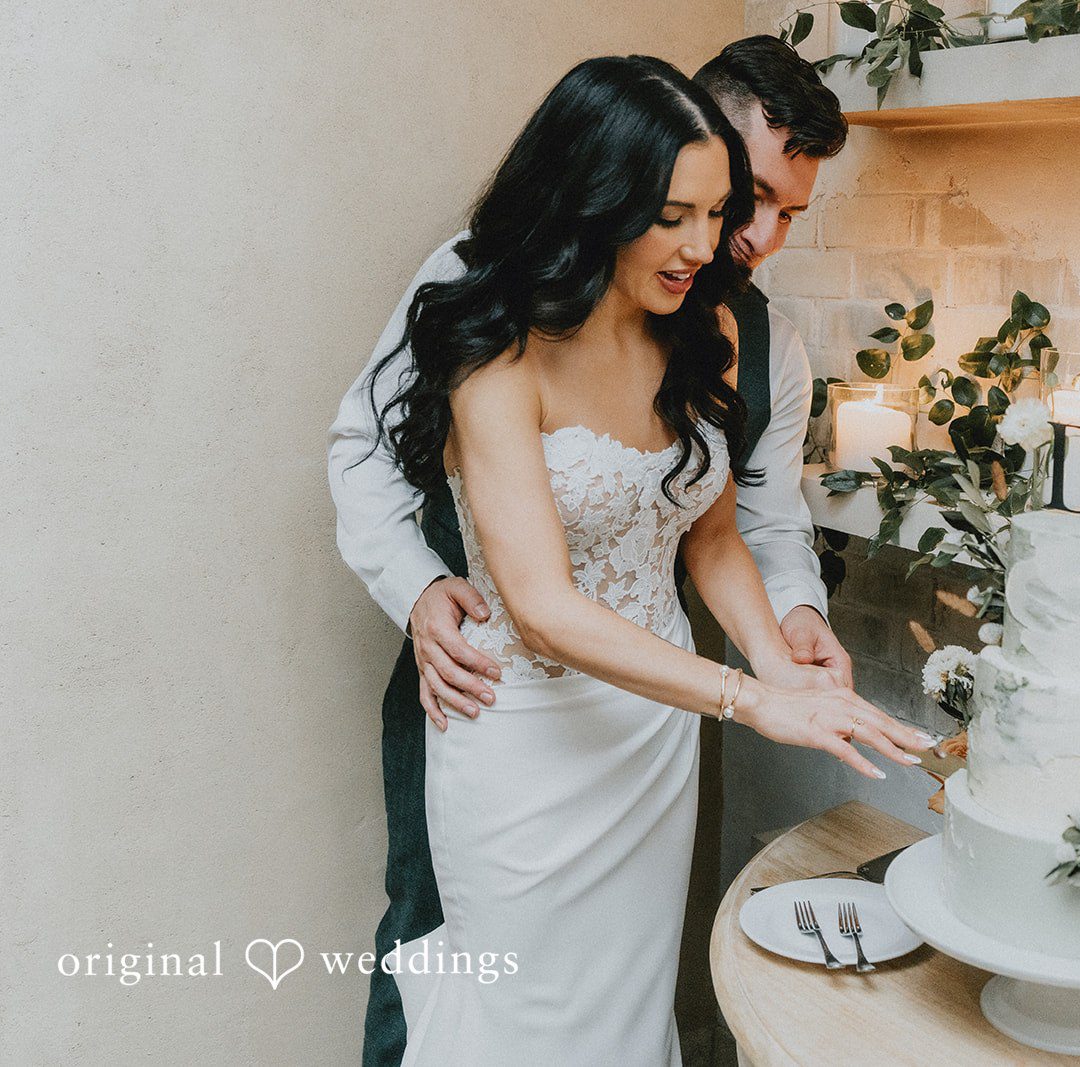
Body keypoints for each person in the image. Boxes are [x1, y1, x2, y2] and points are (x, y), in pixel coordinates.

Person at [328, 54, 932, 1064]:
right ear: (602, 194)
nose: (727, 240)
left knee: (623, 1017)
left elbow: (727, 528)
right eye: (687, 211)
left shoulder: (714, 329)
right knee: (480, 992)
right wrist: (421, 584)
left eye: (734, 211)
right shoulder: (483, 312)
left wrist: (781, 657)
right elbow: (503, 572)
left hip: (653, 732)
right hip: (505, 707)